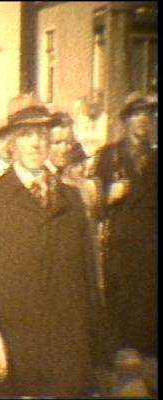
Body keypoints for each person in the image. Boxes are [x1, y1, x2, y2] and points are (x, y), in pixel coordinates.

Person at [0, 94, 108, 397]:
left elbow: (88, 280)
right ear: (12, 142)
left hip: (67, 355)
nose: (35, 143)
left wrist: (98, 352)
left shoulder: (70, 200)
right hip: (14, 352)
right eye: (26, 134)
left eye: (42, 134)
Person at [92, 91, 157, 393]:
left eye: (149, 114)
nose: (144, 120)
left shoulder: (156, 158)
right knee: (120, 318)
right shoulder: (109, 155)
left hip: (151, 249)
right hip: (118, 248)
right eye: (137, 114)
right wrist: (108, 196)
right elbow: (92, 205)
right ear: (126, 120)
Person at [45, 112, 75, 177]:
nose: (64, 150)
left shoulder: (71, 173)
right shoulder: (36, 173)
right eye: (57, 143)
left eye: (69, 142)